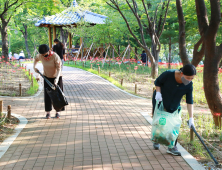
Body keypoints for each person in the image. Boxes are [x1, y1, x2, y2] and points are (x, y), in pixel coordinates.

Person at [152, 64, 196, 156]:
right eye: (188, 77)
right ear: (182, 73)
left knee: (174, 124)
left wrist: (191, 118)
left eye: (192, 78)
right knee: (160, 121)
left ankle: (172, 147)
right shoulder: (169, 74)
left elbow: (189, 101)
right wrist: (158, 93)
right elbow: (158, 82)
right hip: (160, 99)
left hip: (174, 103)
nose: (189, 80)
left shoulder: (189, 85)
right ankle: (156, 139)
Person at [33, 44, 63, 119]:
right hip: (47, 77)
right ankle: (48, 113)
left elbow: (59, 69)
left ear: (48, 51)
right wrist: (34, 68)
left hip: (57, 77)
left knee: (57, 95)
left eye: (45, 54)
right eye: (42, 55)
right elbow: (36, 60)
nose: (43, 56)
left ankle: (58, 112)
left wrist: (56, 79)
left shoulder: (55, 56)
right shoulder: (40, 55)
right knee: (47, 96)